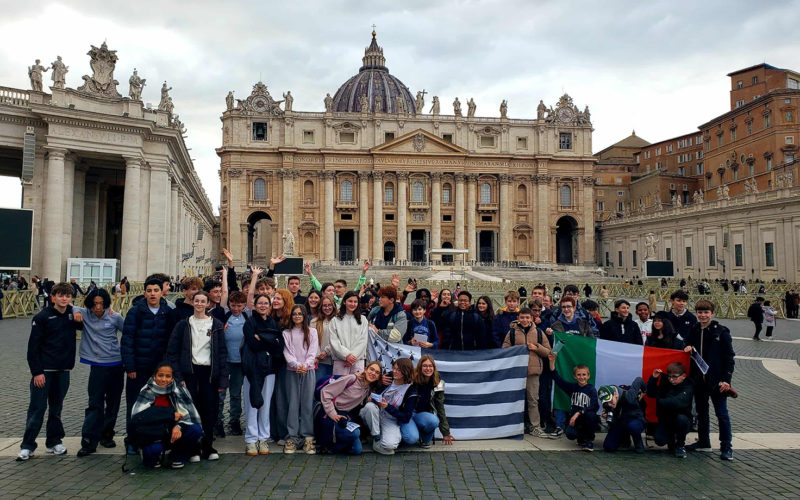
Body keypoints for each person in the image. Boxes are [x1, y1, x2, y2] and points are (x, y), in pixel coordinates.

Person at [17, 283, 81, 461]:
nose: (64, 299)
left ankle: (54, 442)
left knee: (56, 409)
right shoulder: (42, 317)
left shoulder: (73, 314)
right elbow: (32, 348)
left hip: (63, 370)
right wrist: (37, 372)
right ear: (53, 297)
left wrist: (84, 319)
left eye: (67, 296)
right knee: (37, 409)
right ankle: (27, 446)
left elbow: (93, 317)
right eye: (60, 295)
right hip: (44, 371)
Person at [167, 291, 228, 461]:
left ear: (208, 304)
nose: (200, 304)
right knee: (191, 410)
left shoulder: (216, 324)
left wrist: (223, 378)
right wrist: (179, 377)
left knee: (209, 410)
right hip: (190, 372)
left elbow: (222, 352)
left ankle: (207, 444)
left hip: (209, 373)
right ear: (192, 302)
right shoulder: (183, 324)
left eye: (203, 301)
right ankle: (193, 447)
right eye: (197, 301)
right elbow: (172, 351)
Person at [121, 278, 172, 455]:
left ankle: (155, 438)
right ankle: (132, 440)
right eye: (149, 290)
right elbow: (127, 340)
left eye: (156, 290)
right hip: (138, 367)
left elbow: (169, 340)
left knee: (158, 404)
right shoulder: (135, 312)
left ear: (161, 292)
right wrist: (130, 367)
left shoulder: (167, 311)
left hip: (159, 370)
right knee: (135, 404)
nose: (152, 294)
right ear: (144, 293)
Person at [75, 289, 125, 457]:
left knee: (113, 402)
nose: (98, 307)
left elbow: (128, 333)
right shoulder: (85, 314)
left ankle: (107, 434)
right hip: (97, 365)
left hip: (116, 363)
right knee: (95, 402)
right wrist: (76, 313)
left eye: (101, 304)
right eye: (95, 304)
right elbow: (68, 306)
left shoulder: (115, 317)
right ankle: (89, 440)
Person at [683, 300, 735, 460]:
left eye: (706, 312)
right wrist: (686, 347)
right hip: (699, 380)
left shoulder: (721, 332)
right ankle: (704, 442)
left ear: (712, 313)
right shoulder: (694, 330)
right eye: (700, 312)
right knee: (702, 413)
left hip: (717, 381)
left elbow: (729, 357)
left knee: (722, 414)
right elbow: (687, 345)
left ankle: (726, 446)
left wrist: (726, 379)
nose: (703, 315)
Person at [128, 362, 203, 469]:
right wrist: (170, 414)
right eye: (160, 375)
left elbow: (187, 416)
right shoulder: (147, 391)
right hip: (153, 433)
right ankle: (149, 456)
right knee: (153, 452)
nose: (163, 379)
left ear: (172, 378)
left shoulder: (179, 390)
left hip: (173, 432)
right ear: (155, 376)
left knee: (195, 430)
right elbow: (138, 417)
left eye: (168, 376)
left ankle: (177, 456)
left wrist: (179, 426)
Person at [241, 294, 283, 456]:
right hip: (252, 368)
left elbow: (278, 347)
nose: (263, 306)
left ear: (270, 306)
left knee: (265, 405)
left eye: (266, 303)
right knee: (251, 404)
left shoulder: (273, 323)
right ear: (255, 305)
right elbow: (253, 344)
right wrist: (269, 340)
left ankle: (263, 437)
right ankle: (251, 439)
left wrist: (262, 338)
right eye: (260, 303)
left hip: (269, 369)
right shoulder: (250, 322)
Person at [316, 361, 383, 455]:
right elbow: (325, 392)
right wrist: (332, 413)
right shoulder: (352, 379)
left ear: (378, 377)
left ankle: (336, 445)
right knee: (355, 433)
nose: (373, 373)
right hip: (331, 413)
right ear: (365, 369)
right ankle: (329, 446)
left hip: (345, 416)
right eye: (371, 369)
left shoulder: (368, 389)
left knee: (357, 450)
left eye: (377, 372)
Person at [502, 307, 551, 436]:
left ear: (532, 319)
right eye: (522, 317)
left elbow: (548, 352)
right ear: (518, 318)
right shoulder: (512, 332)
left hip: (533, 372)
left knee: (533, 400)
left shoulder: (539, 332)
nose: (525, 320)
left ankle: (535, 426)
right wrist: (515, 349)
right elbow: (504, 349)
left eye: (527, 317)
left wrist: (536, 348)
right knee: (515, 400)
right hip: (516, 372)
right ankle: (513, 425)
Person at [360, 358, 418, 455]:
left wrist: (388, 407)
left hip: (391, 418)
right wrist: (373, 397)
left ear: (406, 371)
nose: (394, 371)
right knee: (369, 407)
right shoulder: (389, 377)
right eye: (394, 368)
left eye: (398, 370)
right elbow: (372, 380)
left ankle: (384, 436)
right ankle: (376, 437)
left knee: (390, 446)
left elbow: (406, 417)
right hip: (375, 412)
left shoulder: (411, 391)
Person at [281, 305, 318, 454]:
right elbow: (287, 352)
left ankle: (307, 436)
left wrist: (305, 365)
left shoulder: (312, 332)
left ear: (304, 316)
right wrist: (296, 365)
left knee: (307, 404)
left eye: (300, 314)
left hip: (308, 371)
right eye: (294, 314)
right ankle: (292, 436)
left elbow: (313, 351)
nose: (297, 316)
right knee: (293, 404)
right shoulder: (286, 333)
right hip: (292, 371)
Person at [547, 352, 599, 451]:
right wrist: (552, 361)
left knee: (591, 415)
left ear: (588, 376)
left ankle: (589, 441)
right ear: (575, 376)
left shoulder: (591, 389)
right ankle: (581, 437)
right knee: (570, 434)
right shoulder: (572, 387)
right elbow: (556, 378)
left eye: (584, 374)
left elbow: (595, 406)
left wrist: (579, 412)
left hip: (586, 418)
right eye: (578, 375)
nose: (581, 377)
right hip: (575, 420)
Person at [401, 355, 454, 447]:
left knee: (434, 421)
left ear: (434, 367)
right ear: (420, 367)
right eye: (425, 366)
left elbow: (440, 408)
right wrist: (384, 377)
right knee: (411, 438)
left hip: (422, 415)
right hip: (407, 413)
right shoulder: (412, 378)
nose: (428, 368)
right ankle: (406, 432)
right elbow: (397, 374)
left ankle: (422, 436)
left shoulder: (437, 382)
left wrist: (445, 432)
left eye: (430, 366)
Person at [216, 290, 248, 438]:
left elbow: (251, 294)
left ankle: (234, 420)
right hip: (224, 361)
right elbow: (224, 293)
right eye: (233, 305)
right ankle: (218, 421)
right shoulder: (225, 315)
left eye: (239, 306)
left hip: (239, 362)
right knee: (221, 392)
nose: (236, 308)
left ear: (244, 305)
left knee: (235, 393)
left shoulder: (247, 316)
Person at [647, 362, 693, 458]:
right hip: (666, 420)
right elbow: (651, 393)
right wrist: (654, 378)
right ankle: (671, 439)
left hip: (682, 419)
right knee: (659, 441)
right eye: (669, 377)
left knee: (682, 420)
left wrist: (660, 400)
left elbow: (676, 402)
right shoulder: (666, 384)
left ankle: (680, 445)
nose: (671, 379)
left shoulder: (688, 386)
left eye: (675, 377)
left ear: (683, 376)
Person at [599, 379, 647, 453]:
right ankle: (625, 439)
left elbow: (638, 380)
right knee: (608, 446)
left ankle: (638, 441)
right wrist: (608, 418)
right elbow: (613, 424)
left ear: (615, 394)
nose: (610, 405)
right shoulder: (607, 405)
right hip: (621, 423)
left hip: (635, 419)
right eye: (606, 403)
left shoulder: (629, 396)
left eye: (611, 401)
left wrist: (644, 391)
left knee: (633, 426)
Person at [328, 291, 369, 375]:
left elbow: (363, 340)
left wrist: (353, 357)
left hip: (358, 361)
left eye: (355, 302)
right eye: (350, 301)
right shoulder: (335, 320)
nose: (353, 304)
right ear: (344, 302)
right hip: (340, 361)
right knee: (340, 382)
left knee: (356, 383)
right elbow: (334, 341)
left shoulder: (363, 320)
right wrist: (346, 355)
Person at [311, 295, 337, 382]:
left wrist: (327, 351)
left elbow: (338, 339)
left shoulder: (338, 321)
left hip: (335, 360)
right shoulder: (314, 322)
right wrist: (318, 355)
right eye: (324, 305)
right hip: (320, 361)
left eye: (330, 305)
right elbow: (312, 341)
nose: (327, 308)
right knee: (319, 385)